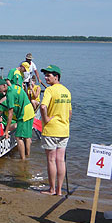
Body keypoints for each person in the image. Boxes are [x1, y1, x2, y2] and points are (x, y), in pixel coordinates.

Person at [39, 65, 72, 196]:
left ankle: (52, 189)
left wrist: (46, 119)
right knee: (60, 160)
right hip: (64, 130)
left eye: (48, 75)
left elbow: (42, 106)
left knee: (51, 160)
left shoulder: (50, 90)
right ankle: (59, 190)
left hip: (51, 129)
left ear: (56, 77)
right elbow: (69, 113)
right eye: (45, 75)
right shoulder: (66, 91)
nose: (46, 78)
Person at [0, 79, 34, 160]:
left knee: (18, 137)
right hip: (30, 111)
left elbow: (10, 114)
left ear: (4, 85)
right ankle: (28, 155)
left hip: (24, 114)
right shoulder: (15, 86)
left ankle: (23, 160)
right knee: (27, 136)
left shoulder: (10, 94)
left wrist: (6, 131)